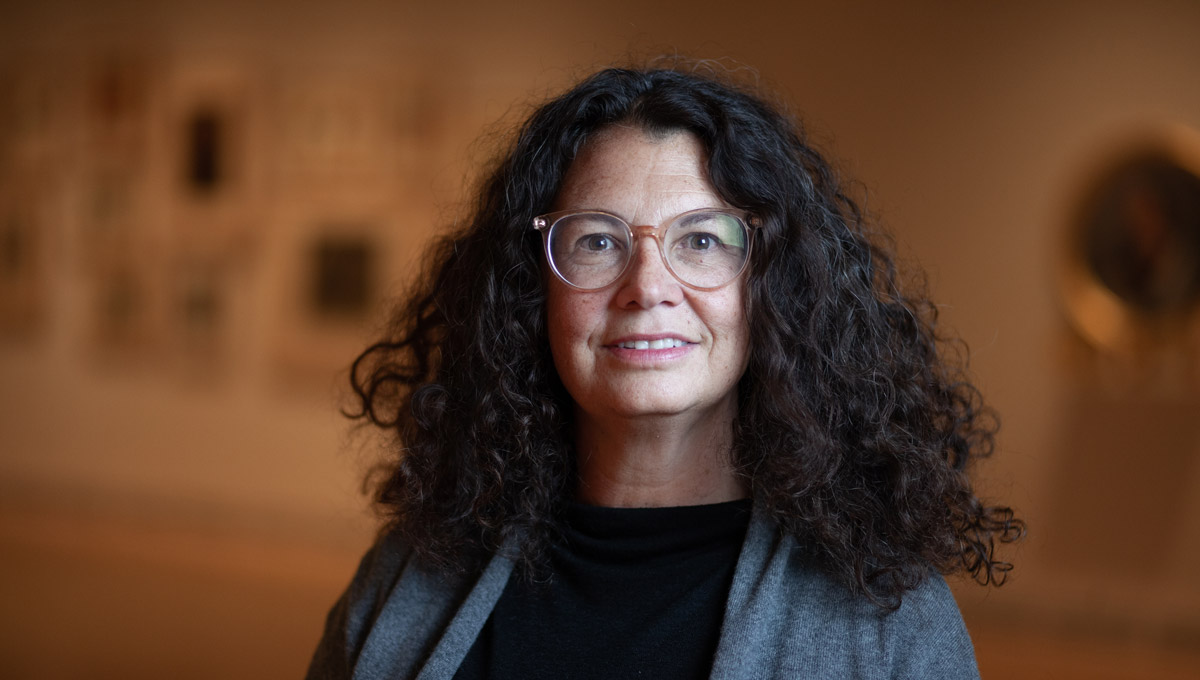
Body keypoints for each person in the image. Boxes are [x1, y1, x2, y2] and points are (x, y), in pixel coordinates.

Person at [306, 63, 1024, 680]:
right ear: (533, 293)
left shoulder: (887, 614)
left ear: (773, 287)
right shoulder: (408, 572)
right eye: (596, 240)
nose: (647, 286)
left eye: (703, 239)